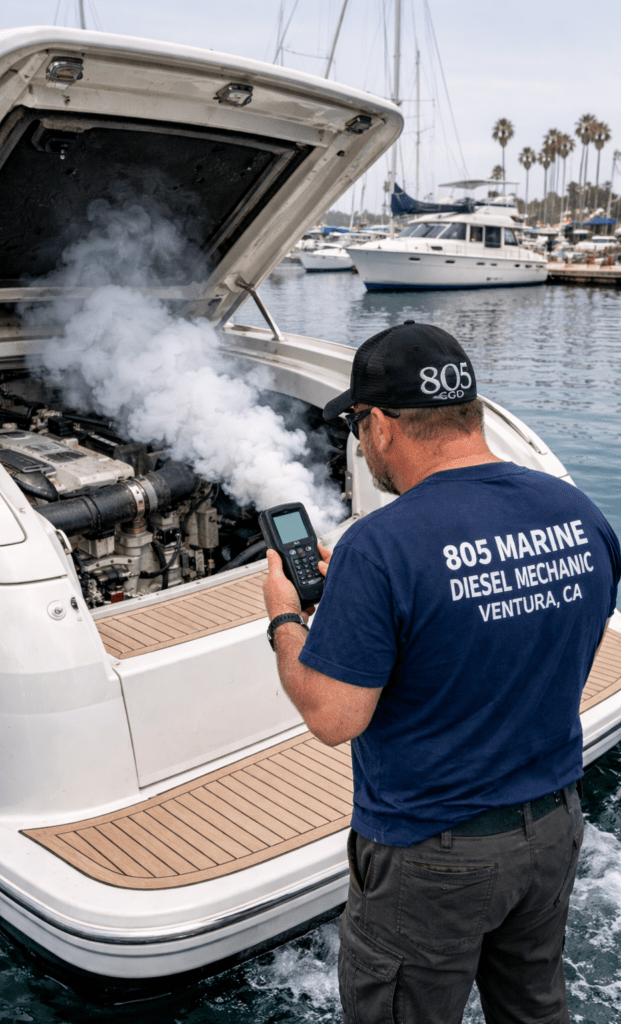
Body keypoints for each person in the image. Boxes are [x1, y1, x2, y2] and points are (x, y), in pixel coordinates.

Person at [262, 320, 621, 1024]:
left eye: (357, 428)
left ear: (381, 423)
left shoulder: (380, 545)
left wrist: (285, 622)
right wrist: (369, 613)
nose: (360, 446)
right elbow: (518, 629)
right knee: (532, 1008)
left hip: (433, 851)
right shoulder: (577, 513)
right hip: (551, 827)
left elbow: (334, 719)